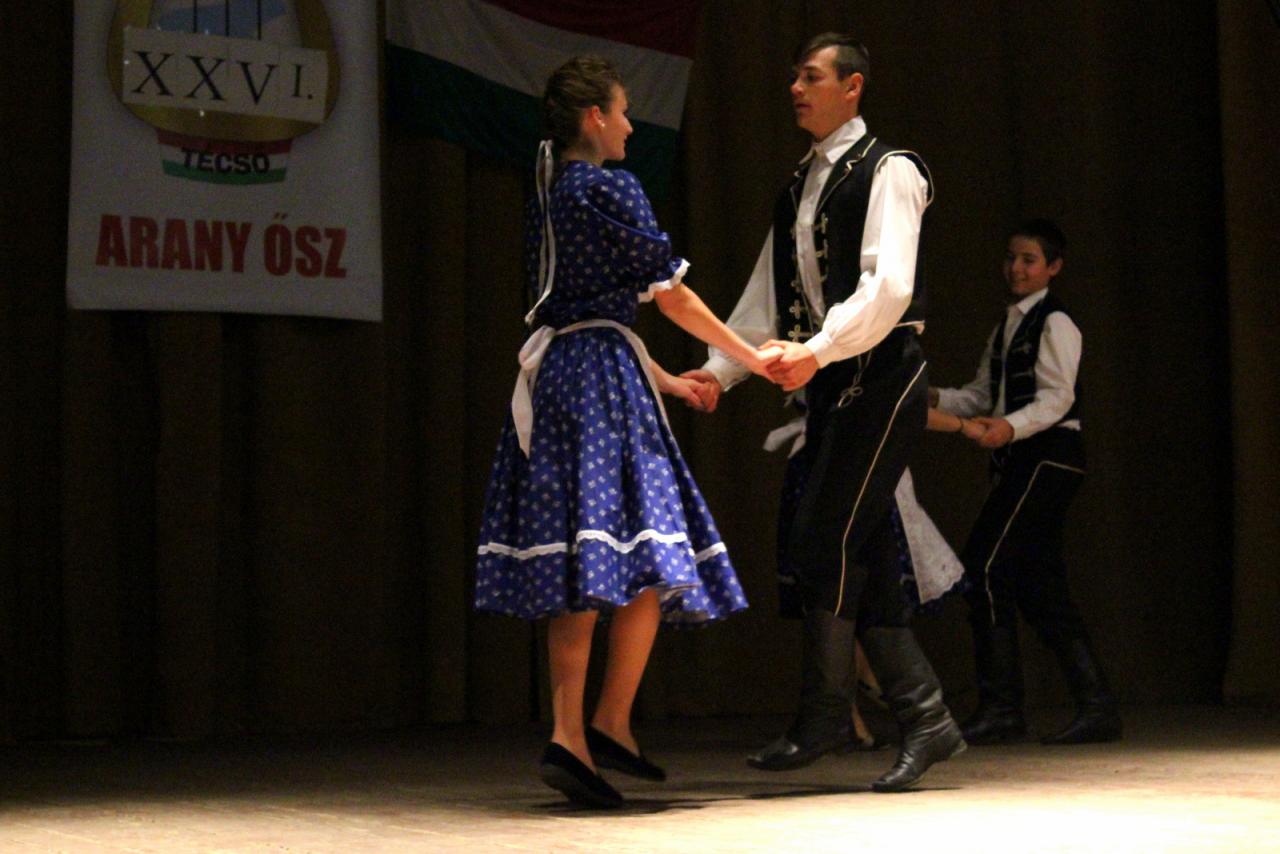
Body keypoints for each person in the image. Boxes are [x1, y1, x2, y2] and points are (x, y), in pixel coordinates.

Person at [472, 56, 777, 809]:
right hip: (599, 387)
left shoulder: (552, 191)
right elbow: (672, 299)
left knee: (616, 552)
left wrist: (670, 379)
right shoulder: (609, 186)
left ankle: (593, 725)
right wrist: (752, 361)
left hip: (568, 374)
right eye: (623, 111)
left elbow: (589, 315)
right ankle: (582, 730)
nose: (632, 126)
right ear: (595, 118)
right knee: (628, 548)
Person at [683, 33, 965, 792]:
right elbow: (766, 299)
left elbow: (887, 288)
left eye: (811, 77)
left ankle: (829, 713)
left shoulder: (890, 169)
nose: (795, 89)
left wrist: (818, 349)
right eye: (795, 77)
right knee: (850, 547)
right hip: (835, 383)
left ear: (853, 87)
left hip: (885, 376)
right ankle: (925, 716)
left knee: (823, 539)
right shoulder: (799, 186)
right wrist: (721, 371)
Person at [930, 219, 1122, 746]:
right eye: (1012, 258)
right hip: (1022, 460)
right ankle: (1097, 706)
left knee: (985, 567)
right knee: (1040, 586)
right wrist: (931, 397)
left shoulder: (1056, 322)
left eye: (1029, 260)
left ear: (1053, 267)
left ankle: (1002, 708)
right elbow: (981, 395)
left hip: (1049, 458)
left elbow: (1058, 399)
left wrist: (1009, 428)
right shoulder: (1007, 325)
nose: (1016, 268)